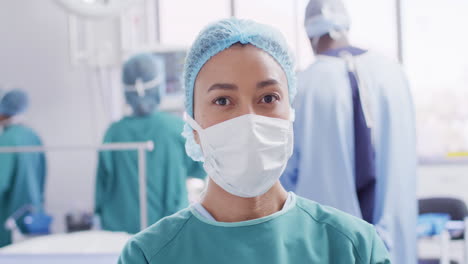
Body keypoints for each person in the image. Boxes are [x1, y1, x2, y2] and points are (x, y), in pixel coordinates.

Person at [118, 18, 390, 263]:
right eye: (223, 101)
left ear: (291, 112)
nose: (248, 120)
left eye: (268, 98)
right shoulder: (148, 256)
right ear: (193, 126)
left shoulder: (354, 249)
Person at [280, 0, 417, 263]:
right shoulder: (394, 75)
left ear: (310, 34)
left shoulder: (303, 87)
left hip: (326, 242)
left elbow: (284, 175)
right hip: (394, 245)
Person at [94, 53, 206, 234]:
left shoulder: (113, 133)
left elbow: (102, 189)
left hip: (121, 236)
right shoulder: (177, 128)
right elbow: (200, 169)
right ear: (158, 87)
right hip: (168, 233)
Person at [0, 89, 46, 247]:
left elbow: (1, 182)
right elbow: (42, 175)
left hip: (9, 215)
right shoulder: (33, 136)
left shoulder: (6, 140)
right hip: (35, 214)